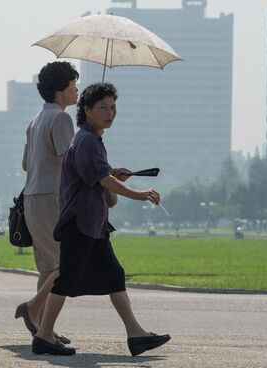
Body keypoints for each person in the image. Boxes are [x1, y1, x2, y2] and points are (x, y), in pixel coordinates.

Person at [32, 83, 170, 356]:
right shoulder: (86, 141)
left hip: (92, 225)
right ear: (87, 110)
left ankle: (136, 334)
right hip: (81, 224)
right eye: (103, 108)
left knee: (114, 276)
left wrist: (110, 171)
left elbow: (100, 176)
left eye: (113, 107)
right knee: (67, 280)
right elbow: (104, 180)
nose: (110, 113)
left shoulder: (91, 140)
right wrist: (138, 194)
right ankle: (44, 335)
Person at [14, 61, 78, 345]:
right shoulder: (62, 119)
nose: (77, 90)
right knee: (67, 263)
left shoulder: (35, 120)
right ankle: (33, 308)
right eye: (73, 85)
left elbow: (27, 164)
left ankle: (43, 329)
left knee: (47, 267)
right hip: (53, 197)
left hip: (31, 196)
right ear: (60, 90)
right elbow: (71, 162)